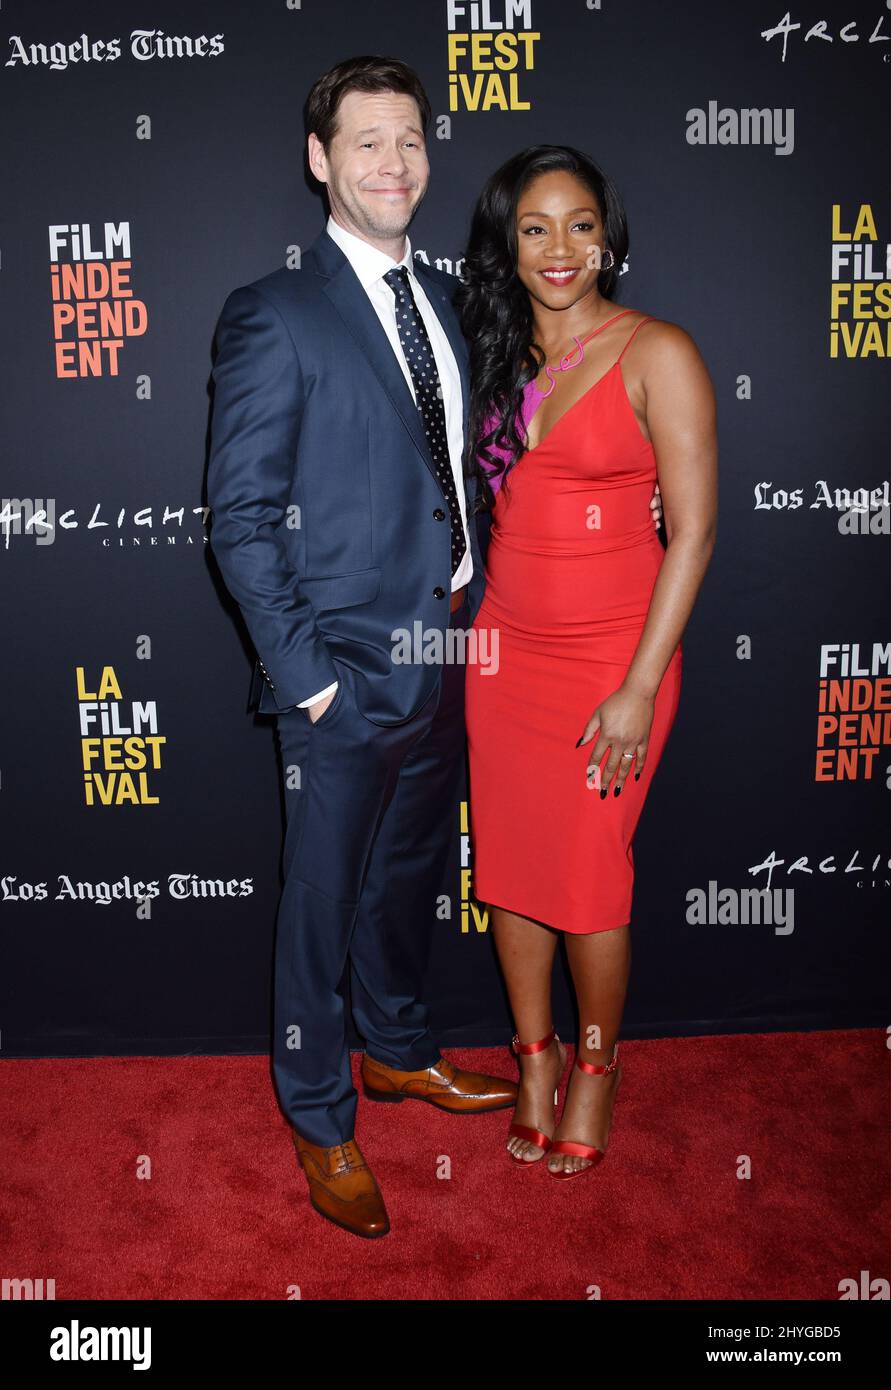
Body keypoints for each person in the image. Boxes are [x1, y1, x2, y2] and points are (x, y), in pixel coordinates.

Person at [206, 57, 526, 1240]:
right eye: (367, 142)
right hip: (342, 671)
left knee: (409, 880)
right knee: (321, 899)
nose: (393, 163)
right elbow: (238, 518)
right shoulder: (273, 313)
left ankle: (396, 1051)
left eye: (409, 140)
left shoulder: (446, 298)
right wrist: (314, 685)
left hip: (447, 647)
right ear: (320, 159)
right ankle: (318, 1109)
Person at [460, 145, 717, 1178]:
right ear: (508, 244)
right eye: (533, 227)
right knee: (513, 877)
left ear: (609, 236)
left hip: (616, 666)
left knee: (589, 879)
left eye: (578, 224)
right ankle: (534, 1058)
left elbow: (693, 531)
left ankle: (597, 1067)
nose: (558, 248)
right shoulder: (491, 349)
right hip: (502, 655)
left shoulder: (660, 351)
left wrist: (639, 689)